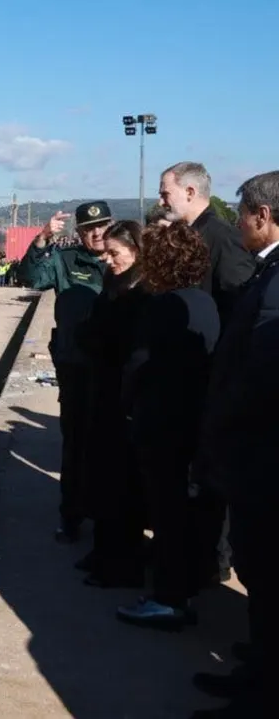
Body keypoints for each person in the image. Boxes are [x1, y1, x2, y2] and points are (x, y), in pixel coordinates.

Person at [191, 170, 279, 717]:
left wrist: (223, 428)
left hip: (262, 455)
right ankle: (256, 669)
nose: (238, 221)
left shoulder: (276, 281)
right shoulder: (269, 271)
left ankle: (262, 693)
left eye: (242, 212)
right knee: (260, 573)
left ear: (263, 216)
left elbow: (261, 378)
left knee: (267, 570)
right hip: (255, 451)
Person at [114, 220, 220, 629]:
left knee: (167, 514)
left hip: (162, 425)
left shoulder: (161, 307)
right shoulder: (204, 302)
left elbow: (139, 366)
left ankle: (168, 599)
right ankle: (186, 586)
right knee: (188, 512)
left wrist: (126, 407)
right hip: (194, 423)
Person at [18, 201, 110, 544]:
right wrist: (41, 239)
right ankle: (71, 516)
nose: (97, 233)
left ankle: (107, 518)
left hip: (113, 370)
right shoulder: (66, 261)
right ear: (79, 233)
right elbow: (30, 278)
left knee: (110, 448)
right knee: (75, 445)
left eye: (102, 226)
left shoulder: (127, 259)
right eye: (89, 229)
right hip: (76, 367)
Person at [74, 220, 148, 587]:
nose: (107, 259)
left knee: (121, 485)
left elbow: (124, 344)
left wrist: (92, 338)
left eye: (114, 253)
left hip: (123, 399)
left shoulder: (141, 291)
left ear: (135, 251)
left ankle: (120, 562)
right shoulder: (116, 285)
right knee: (101, 477)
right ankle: (102, 551)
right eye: (105, 253)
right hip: (104, 391)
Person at [157, 162, 256, 324]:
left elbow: (238, 305)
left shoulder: (224, 238)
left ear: (190, 192)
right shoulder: (182, 235)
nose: (160, 203)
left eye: (165, 194)